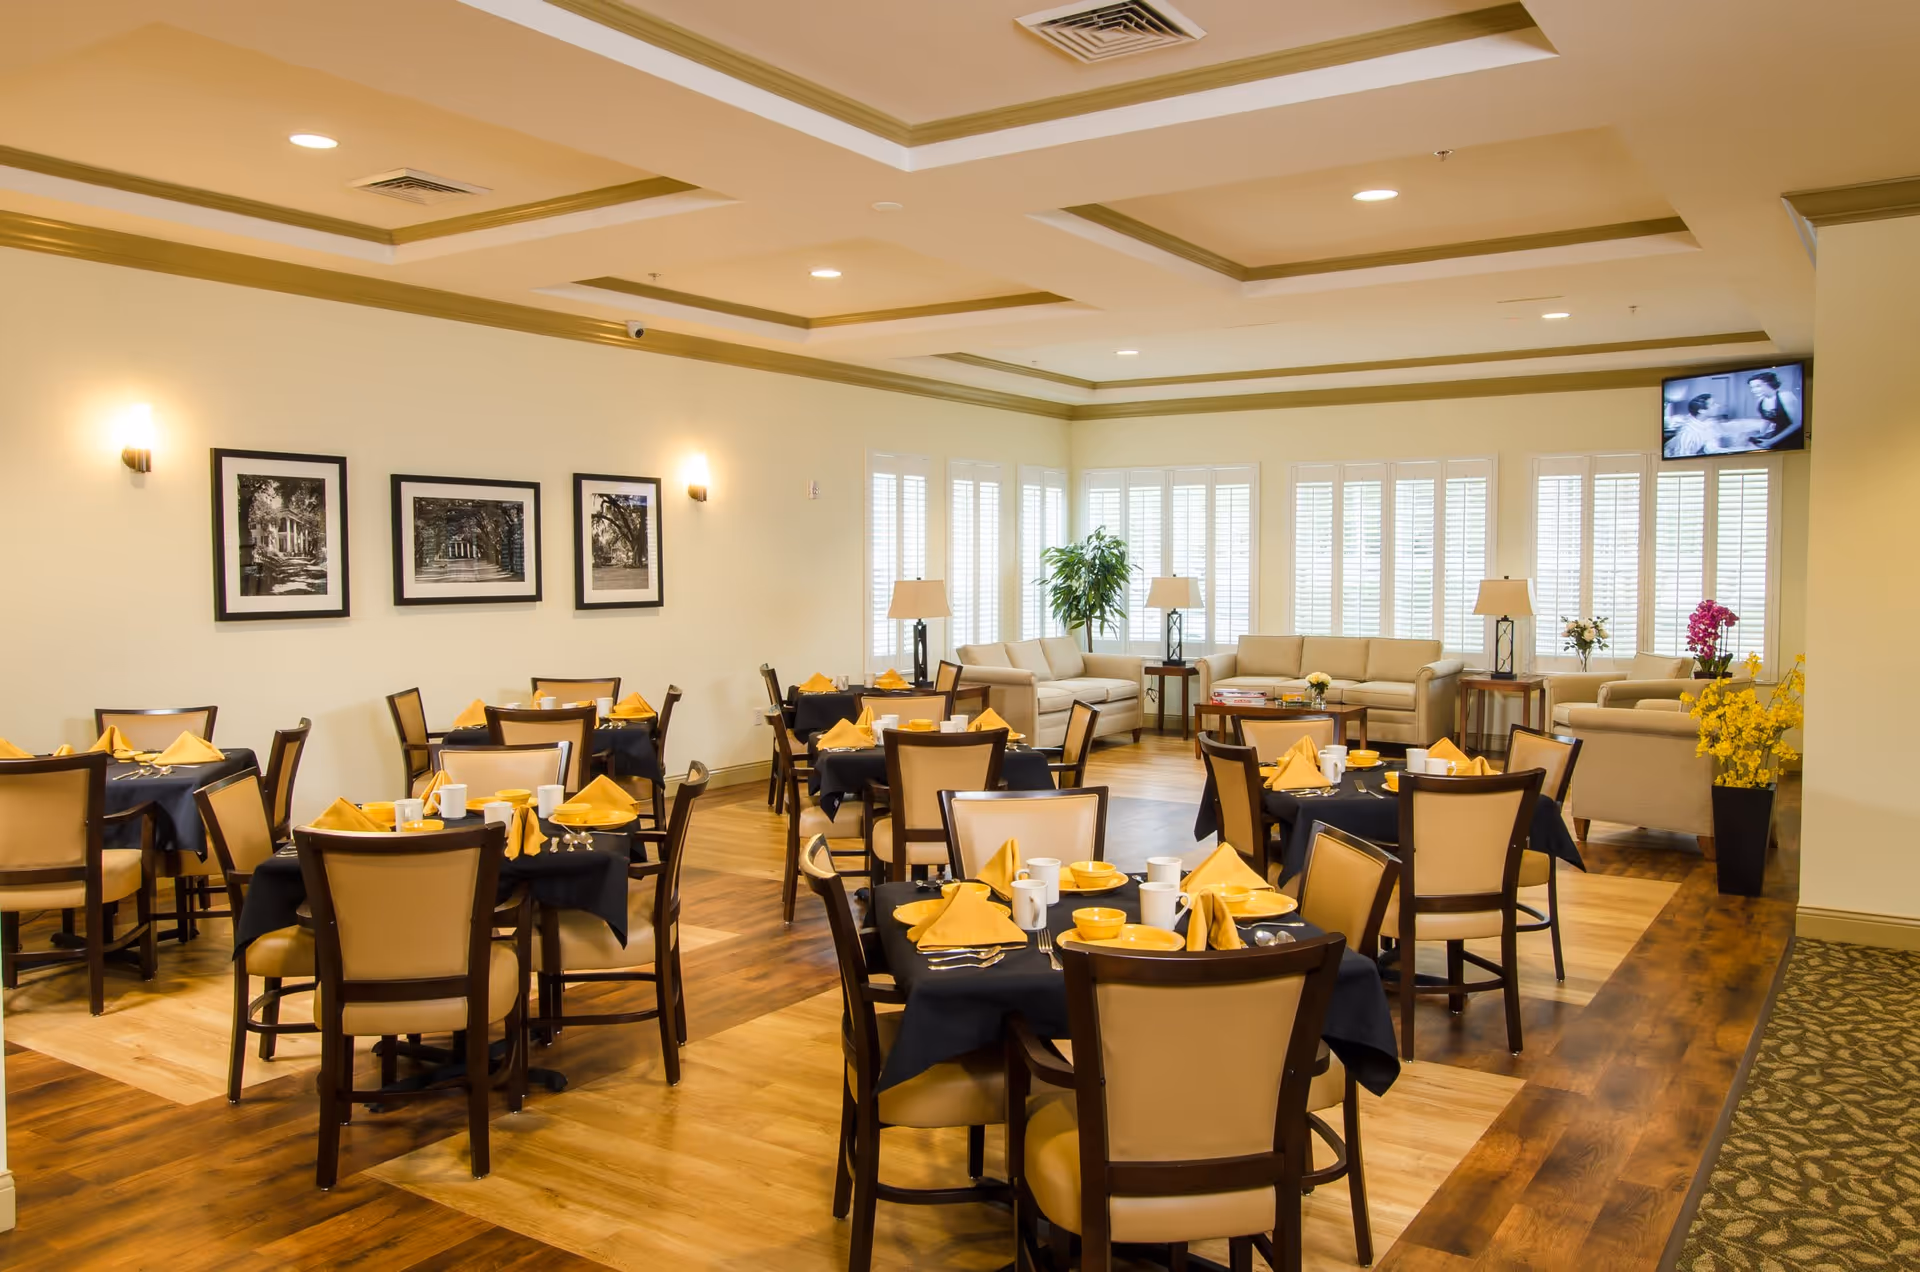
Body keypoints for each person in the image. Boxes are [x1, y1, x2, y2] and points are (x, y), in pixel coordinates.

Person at [1747, 371, 1804, 449]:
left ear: (1769, 384)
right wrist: (1761, 434)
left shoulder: (1785, 396)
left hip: (1793, 435)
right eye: (1752, 387)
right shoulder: (1761, 401)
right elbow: (1767, 420)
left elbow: (1797, 423)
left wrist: (1772, 441)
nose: (1753, 390)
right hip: (1777, 433)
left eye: (1758, 386)